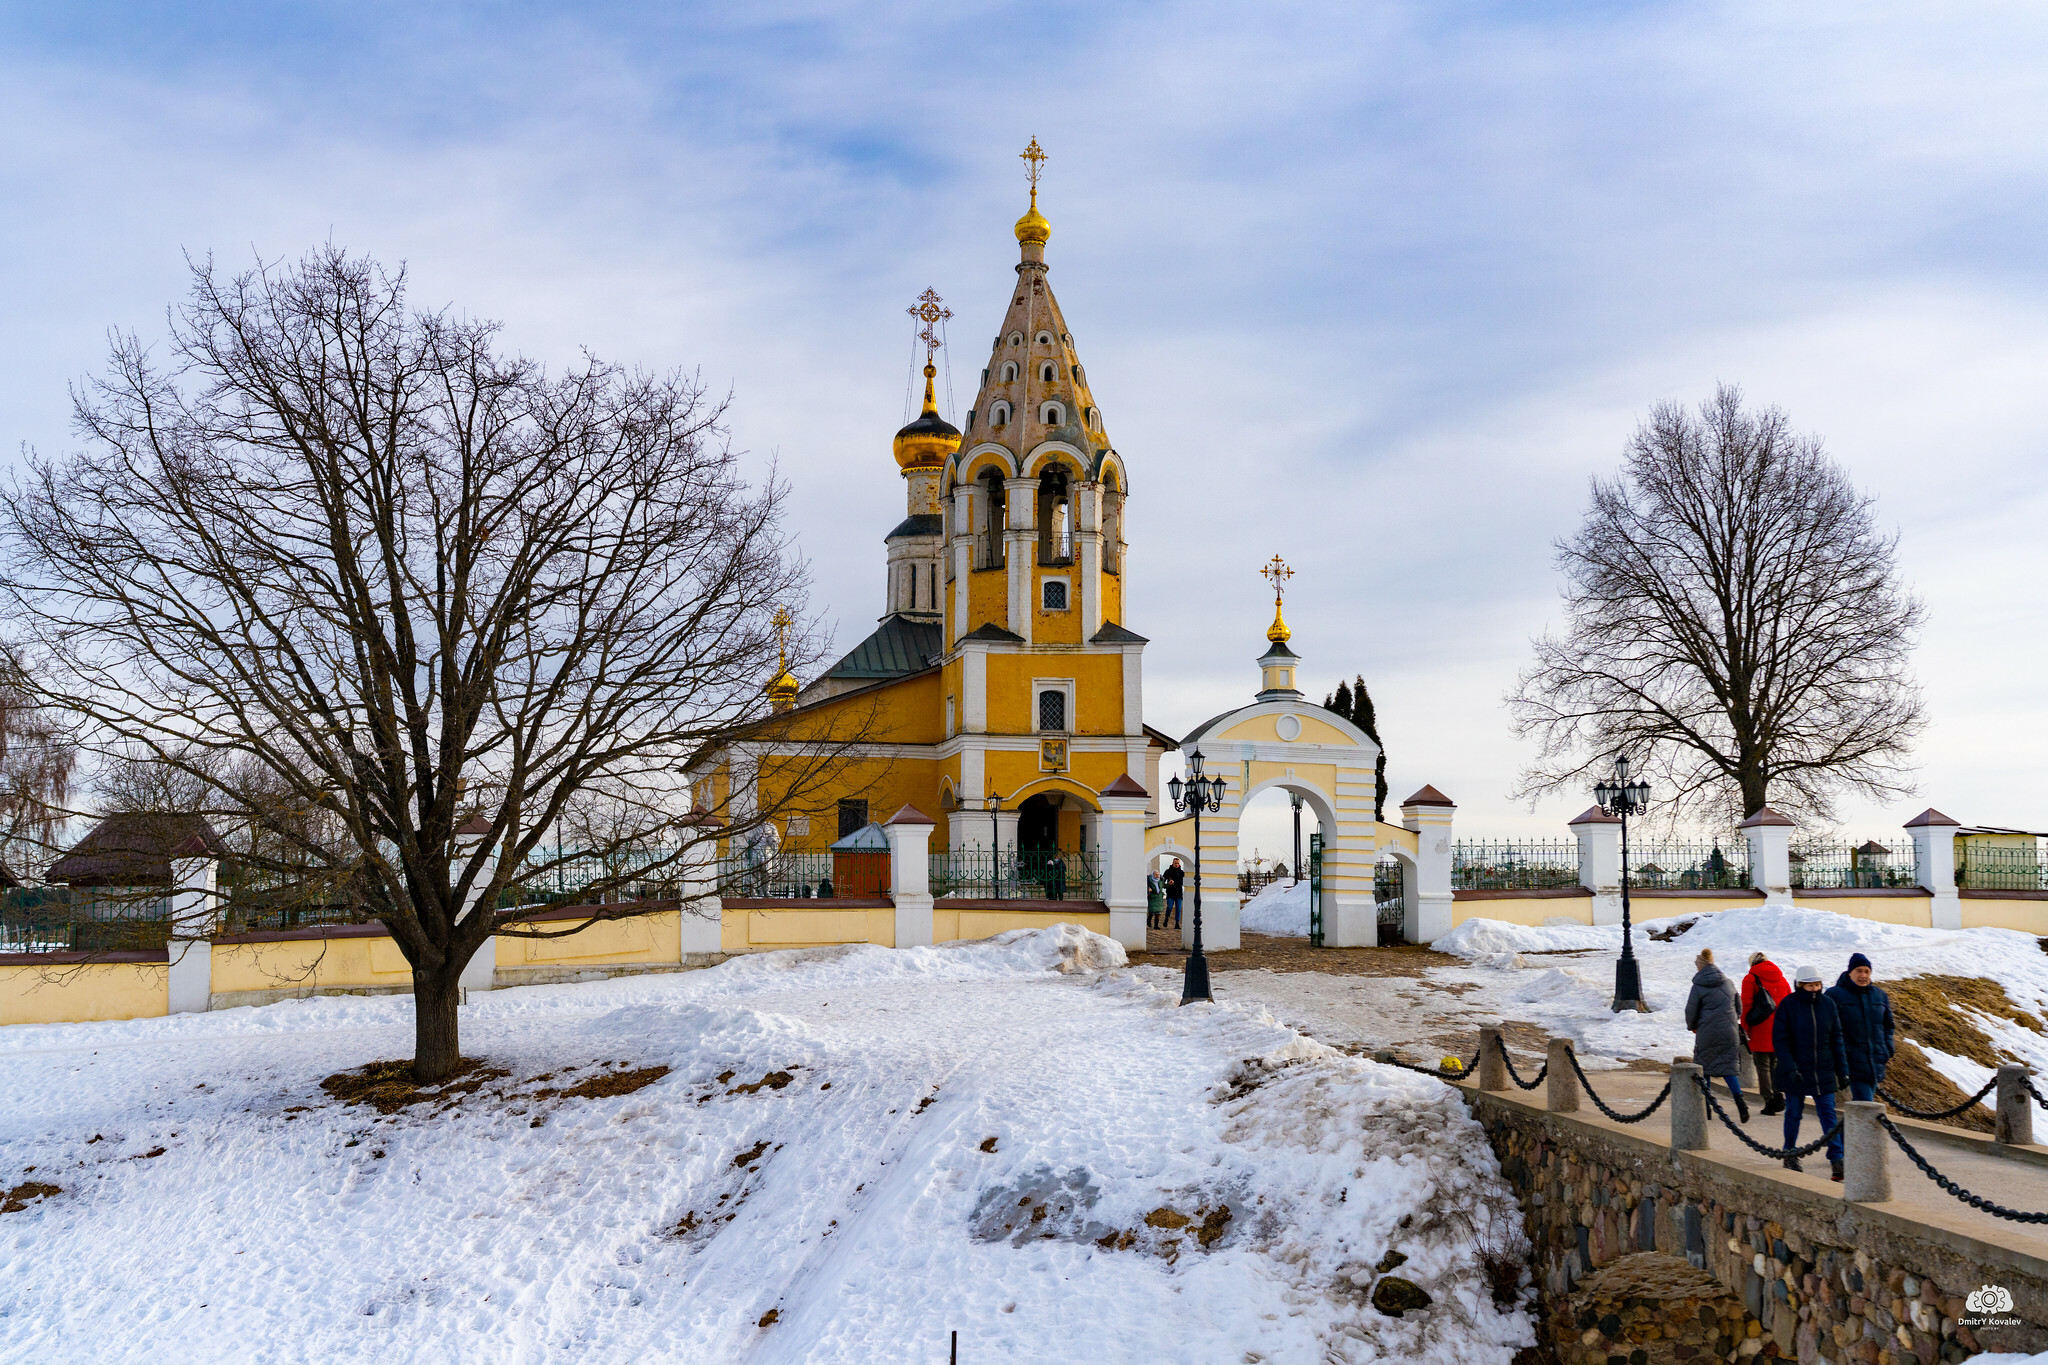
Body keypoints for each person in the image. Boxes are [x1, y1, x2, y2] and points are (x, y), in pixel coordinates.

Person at [1774, 964, 1850, 1181]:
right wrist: (1790, 1068)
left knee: (1828, 1113)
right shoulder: (1788, 1005)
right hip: (1796, 1071)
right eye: (1810, 985)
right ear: (1799, 986)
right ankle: (1790, 1152)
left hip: (1822, 1069)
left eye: (1817, 984)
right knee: (1793, 1113)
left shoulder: (1828, 1005)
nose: (1815, 989)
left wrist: (1843, 1071)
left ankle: (1836, 1158)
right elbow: (1781, 1041)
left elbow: (1837, 1039)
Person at [1684, 948, 1750, 1123]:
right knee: (1728, 1067)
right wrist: (1730, 1020)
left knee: (1703, 1067)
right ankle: (1740, 1102)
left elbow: (1691, 1011)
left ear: (1701, 966)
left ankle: (1706, 1110)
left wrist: (1692, 1026)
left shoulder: (1698, 986)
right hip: (1729, 1031)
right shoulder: (1728, 982)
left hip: (1707, 1031)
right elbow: (1739, 1006)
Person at [1826, 952, 1895, 1103]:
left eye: (1867, 971)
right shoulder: (1834, 995)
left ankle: (1846, 1127)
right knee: (1865, 1105)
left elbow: (1888, 1026)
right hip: (1850, 1062)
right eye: (1859, 971)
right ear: (1850, 972)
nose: (1863, 975)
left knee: (1863, 1105)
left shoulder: (1879, 995)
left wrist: (1887, 1048)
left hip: (1875, 1061)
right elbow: (1827, 1028)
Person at [1741, 952, 1793, 1116]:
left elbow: (1746, 1006)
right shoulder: (1781, 978)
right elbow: (1789, 1003)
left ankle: (1769, 1100)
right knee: (1775, 1065)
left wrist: (1746, 1028)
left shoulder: (1750, 979)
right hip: (1779, 1029)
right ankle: (1779, 1096)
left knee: (1762, 1066)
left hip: (1760, 1029)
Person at [1162, 859, 1185, 929]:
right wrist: (1168, 884)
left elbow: (1183, 882)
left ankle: (1177, 923)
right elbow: (1162, 882)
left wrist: (1175, 883)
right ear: (1172, 863)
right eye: (1175, 863)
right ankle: (1166, 918)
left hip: (1179, 893)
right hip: (1170, 893)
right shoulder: (1167, 871)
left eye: (1178, 863)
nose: (1176, 864)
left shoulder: (1181, 872)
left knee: (1178, 909)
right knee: (1169, 907)